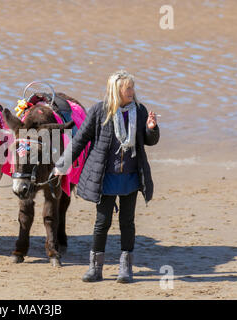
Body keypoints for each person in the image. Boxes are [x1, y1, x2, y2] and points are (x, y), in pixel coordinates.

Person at [54, 70, 159, 283]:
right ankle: (95, 268)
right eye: (127, 88)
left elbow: (149, 141)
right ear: (116, 90)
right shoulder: (99, 111)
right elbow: (80, 140)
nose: (132, 91)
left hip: (130, 177)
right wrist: (62, 164)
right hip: (105, 178)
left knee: (127, 222)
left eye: (132, 88)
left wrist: (151, 129)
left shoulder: (139, 111)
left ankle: (125, 268)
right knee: (102, 223)